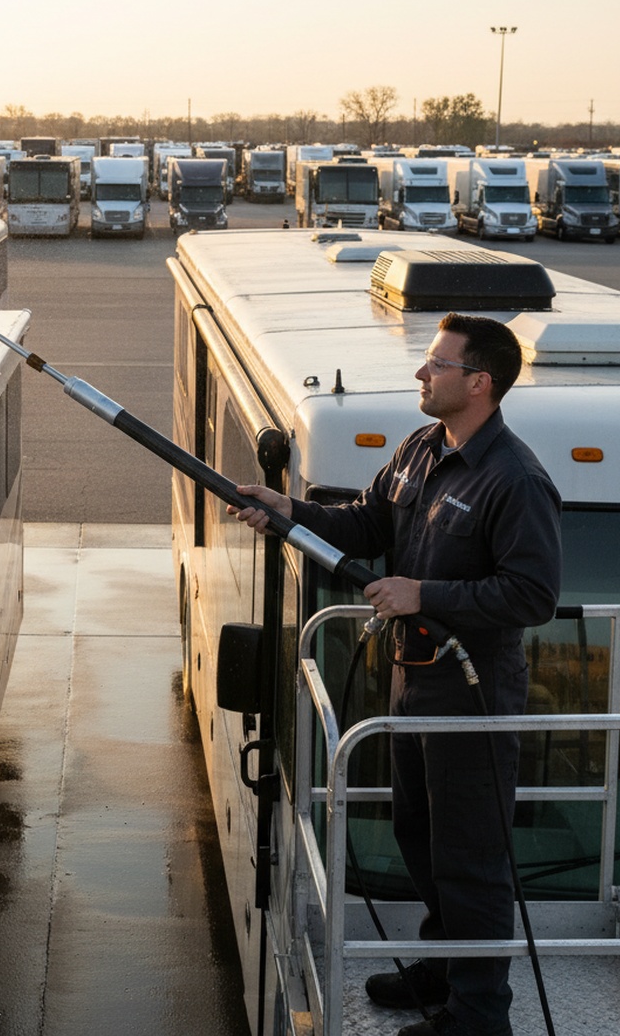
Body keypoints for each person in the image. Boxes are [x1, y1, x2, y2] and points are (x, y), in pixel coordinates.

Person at [230, 312, 561, 1036]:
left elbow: (533, 596)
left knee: (470, 855)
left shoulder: (515, 480)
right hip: (412, 682)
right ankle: (445, 968)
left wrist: (424, 594)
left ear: (480, 383)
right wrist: (289, 511)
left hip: (473, 696)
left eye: (438, 364)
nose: (421, 373)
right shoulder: (420, 448)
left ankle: (479, 1016)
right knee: (420, 834)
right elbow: (367, 523)